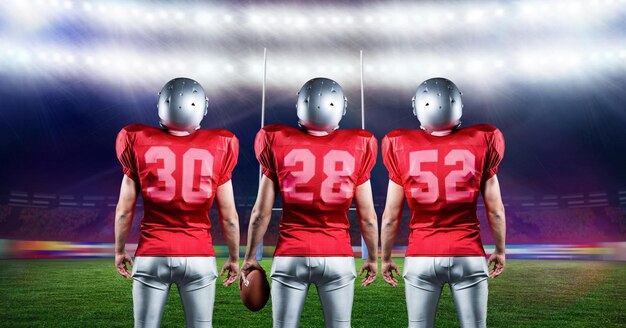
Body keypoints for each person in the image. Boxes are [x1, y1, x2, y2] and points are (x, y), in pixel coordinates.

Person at [241, 77, 379, 328]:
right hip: (337, 254)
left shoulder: (275, 139)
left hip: (291, 254)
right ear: (339, 106)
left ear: (301, 105)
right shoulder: (360, 144)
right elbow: (367, 216)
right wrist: (372, 257)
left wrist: (250, 256)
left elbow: (261, 213)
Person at [380, 77, 506, 328]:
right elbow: (496, 211)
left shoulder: (399, 144)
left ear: (419, 107)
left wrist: (385, 258)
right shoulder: (484, 138)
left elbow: (391, 215)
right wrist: (500, 251)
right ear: (457, 104)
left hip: (421, 254)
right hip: (467, 253)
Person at [114, 77, 240, 328]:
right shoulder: (221, 144)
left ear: (162, 104)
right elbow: (229, 216)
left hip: (152, 253)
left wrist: (119, 250)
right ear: (201, 107)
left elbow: (124, 211)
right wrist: (234, 257)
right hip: (198, 254)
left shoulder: (135, 138)